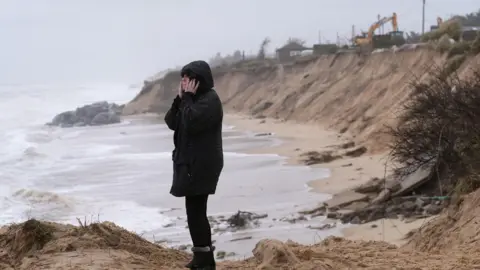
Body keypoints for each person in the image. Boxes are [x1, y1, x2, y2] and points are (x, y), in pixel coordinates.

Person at [164, 60, 223, 270]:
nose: (184, 83)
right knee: (194, 211)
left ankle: (204, 260)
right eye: (182, 79)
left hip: (203, 163)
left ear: (198, 81)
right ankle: (203, 257)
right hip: (190, 162)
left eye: (187, 79)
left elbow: (192, 122)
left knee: (196, 211)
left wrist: (187, 99)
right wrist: (179, 100)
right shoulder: (191, 100)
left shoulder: (210, 100)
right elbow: (172, 122)